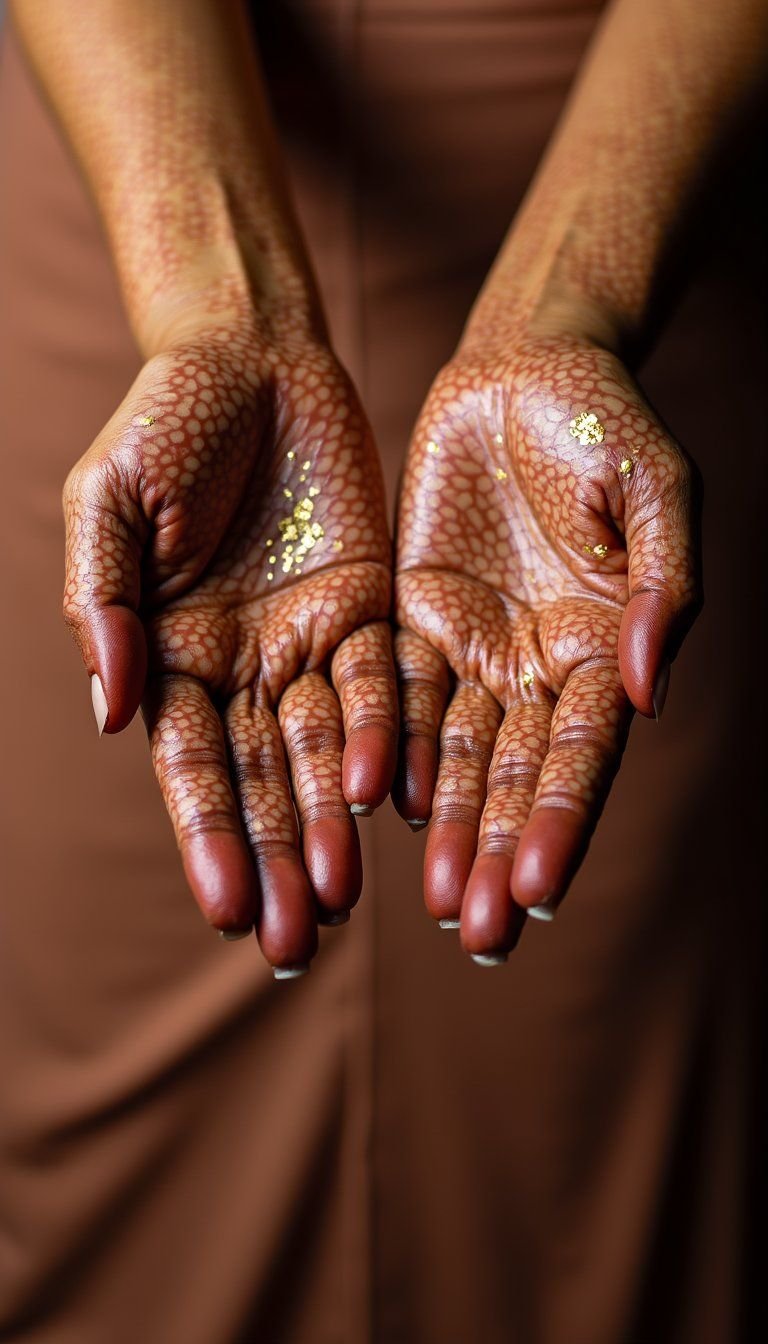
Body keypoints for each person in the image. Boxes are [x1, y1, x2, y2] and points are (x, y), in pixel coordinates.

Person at [0, 1, 764, 1339]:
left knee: (604, 1162)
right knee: (136, 1180)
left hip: (665, 195)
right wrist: (209, 305)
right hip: (136, 166)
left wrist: (573, 300)